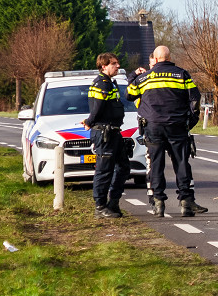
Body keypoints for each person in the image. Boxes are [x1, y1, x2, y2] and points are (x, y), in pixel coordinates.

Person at [127, 46, 207, 218]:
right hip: (177, 125)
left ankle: (159, 203)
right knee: (181, 163)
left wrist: (134, 75)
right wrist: (190, 121)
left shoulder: (145, 78)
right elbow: (195, 97)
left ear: (155, 60)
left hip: (153, 126)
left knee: (156, 165)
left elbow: (129, 94)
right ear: (169, 57)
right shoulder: (182, 74)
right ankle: (185, 202)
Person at [83, 52, 130, 219]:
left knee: (124, 167)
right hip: (104, 132)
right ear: (103, 66)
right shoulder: (102, 84)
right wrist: (89, 121)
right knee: (104, 171)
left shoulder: (110, 82)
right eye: (114, 64)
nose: (117, 66)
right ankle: (100, 206)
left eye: (117, 63)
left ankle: (113, 202)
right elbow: (97, 107)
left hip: (113, 131)